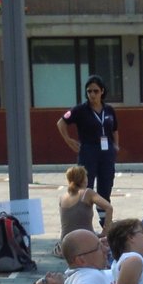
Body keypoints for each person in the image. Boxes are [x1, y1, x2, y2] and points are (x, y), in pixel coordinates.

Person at [57, 75, 118, 208]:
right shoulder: (80, 110)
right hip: (88, 152)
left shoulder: (109, 110)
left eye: (95, 91)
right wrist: (68, 140)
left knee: (105, 188)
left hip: (106, 153)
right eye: (89, 91)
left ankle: (104, 223)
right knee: (84, 188)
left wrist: (115, 146)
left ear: (102, 91)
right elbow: (61, 123)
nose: (92, 94)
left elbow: (114, 129)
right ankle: (83, 220)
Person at [58, 164, 112, 236]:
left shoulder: (62, 197)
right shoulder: (87, 193)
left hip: (65, 241)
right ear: (83, 179)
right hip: (85, 239)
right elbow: (108, 207)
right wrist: (105, 232)